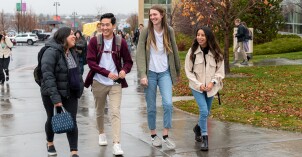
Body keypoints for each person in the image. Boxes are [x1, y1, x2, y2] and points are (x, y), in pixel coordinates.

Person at [84, 13, 133, 156]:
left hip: (115, 83)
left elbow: (128, 61)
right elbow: (91, 62)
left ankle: (117, 143)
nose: (104, 27)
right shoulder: (94, 41)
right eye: (102, 25)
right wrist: (106, 73)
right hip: (99, 81)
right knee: (99, 111)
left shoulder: (120, 42)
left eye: (107, 25)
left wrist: (124, 70)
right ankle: (101, 133)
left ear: (113, 26)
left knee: (115, 112)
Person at [136, 5, 180, 149]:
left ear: (162, 15)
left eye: (155, 14)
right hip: (150, 74)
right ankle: (154, 135)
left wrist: (177, 72)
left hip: (165, 73)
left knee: (168, 104)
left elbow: (174, 50)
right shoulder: (146, 32)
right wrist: (142, 74)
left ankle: (166, 135)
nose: (153, 17)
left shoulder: (169, 31)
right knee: (151, 107)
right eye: (151, 15)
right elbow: (140, 54)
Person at [40, 27, 84, 157]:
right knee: (52, 118)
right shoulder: (51, 52)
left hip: (70, 92)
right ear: (63, 37)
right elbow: (48, 76)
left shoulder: (71, 52)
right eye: (71, 34)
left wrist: (79, 87)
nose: (74, 36)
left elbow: (76, 72)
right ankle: (49, 143)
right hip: (51, 93)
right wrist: (56, 99)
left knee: (72, 121)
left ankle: (74, 152)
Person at [184, 26, 225, 151]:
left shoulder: (216, 52)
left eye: (203, 35)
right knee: (203, 111)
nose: (200, 37)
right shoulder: (192, 52)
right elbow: (188, 72)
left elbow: (220, 71)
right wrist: (199, 85)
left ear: (208, 37)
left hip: (211, 88)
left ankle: (197, 128)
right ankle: (205, 138)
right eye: (198, 35)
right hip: (197, 87)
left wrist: (212, 83)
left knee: (207, 112)